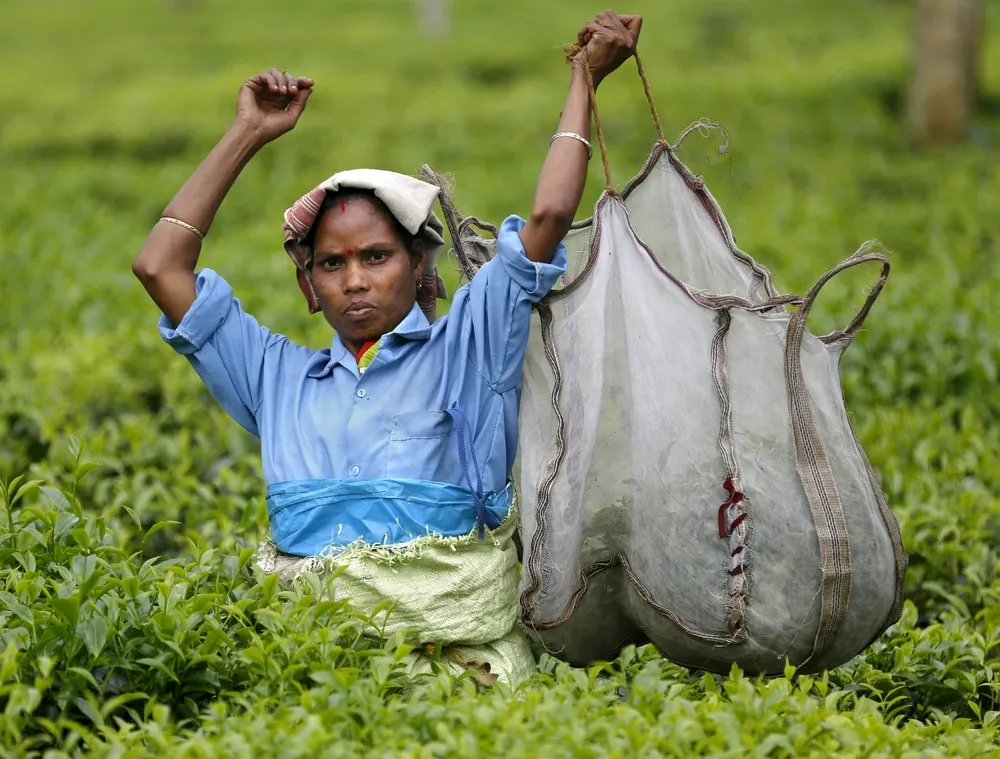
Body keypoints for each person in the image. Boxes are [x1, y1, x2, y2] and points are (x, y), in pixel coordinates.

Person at [133, 10, 642, 686]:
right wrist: (248, 132)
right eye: (332, 265)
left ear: (421, 267)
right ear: (308, 286)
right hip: (311, 682)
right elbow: (160, 266)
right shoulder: (277, 378)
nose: (356, 280)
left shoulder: (469, 349)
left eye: (376, 256)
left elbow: (548, 218)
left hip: (463, 684)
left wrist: (584, 79)